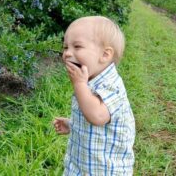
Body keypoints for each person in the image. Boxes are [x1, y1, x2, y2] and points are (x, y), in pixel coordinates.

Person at [53, 16, 135, 175]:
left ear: (105, 55)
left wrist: (79, 85)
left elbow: (97, 116)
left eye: (77, 46)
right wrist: (72, 125)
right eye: (65, 47)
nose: (67, 54)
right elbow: (93, 123)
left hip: (105, 170)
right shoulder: (89, 81)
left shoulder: (112, 86)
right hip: (81, 165)